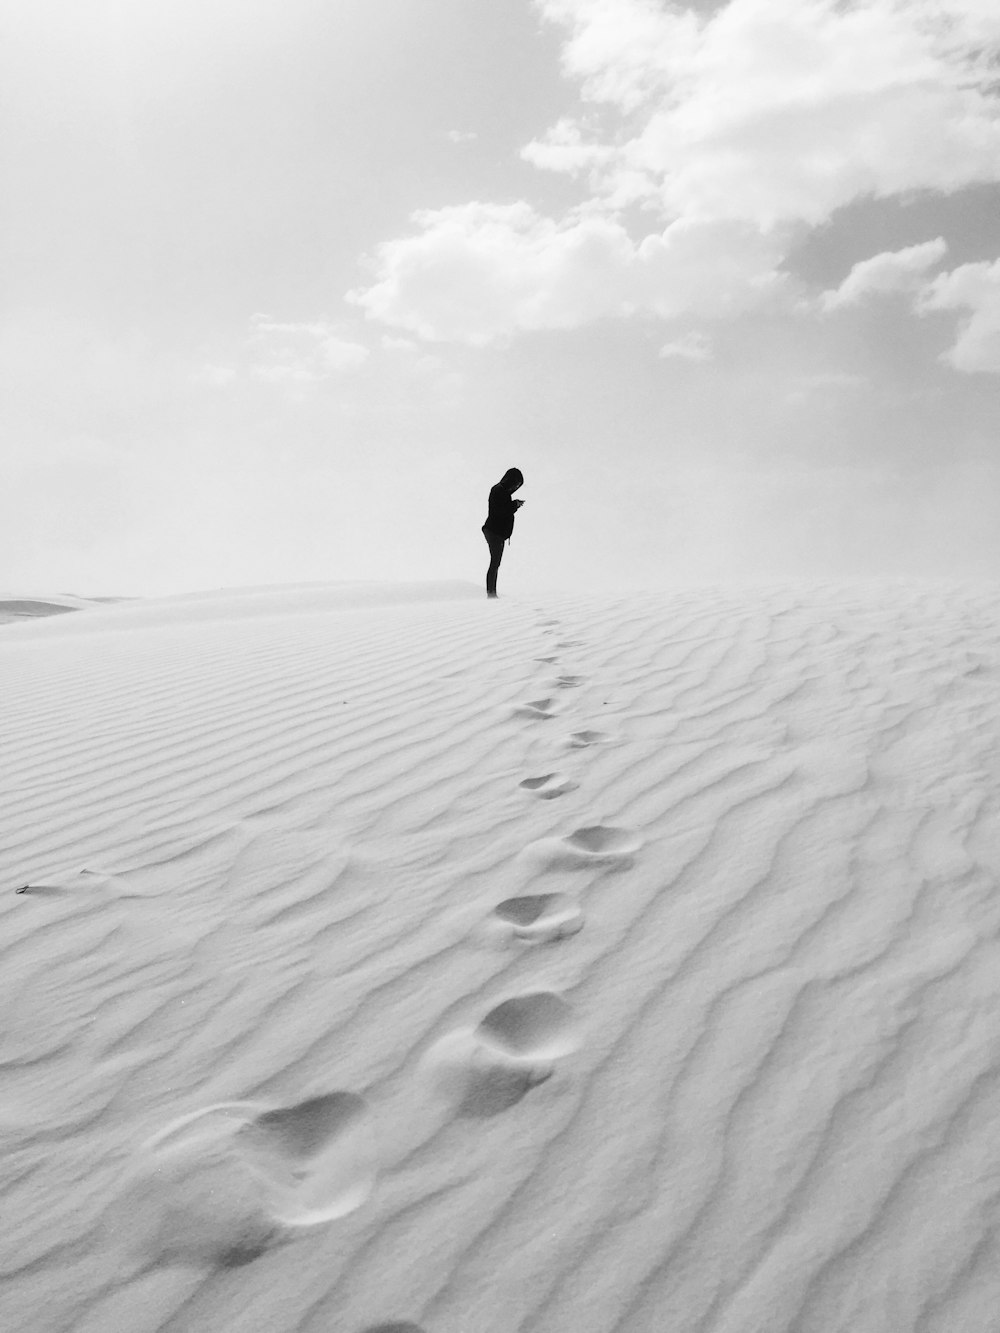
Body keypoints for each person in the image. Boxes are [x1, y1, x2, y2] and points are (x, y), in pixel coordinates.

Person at [481, 467, 524, 598]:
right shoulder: (499, 490)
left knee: (495, 562)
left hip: (496, 532)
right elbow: (500, 511)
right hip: (494, 531)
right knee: (495, 563)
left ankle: (492, 592)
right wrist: (514, 505)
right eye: (516, 483)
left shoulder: (501, 491)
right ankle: (491, 593)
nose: (516, 487)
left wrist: (513, 505)